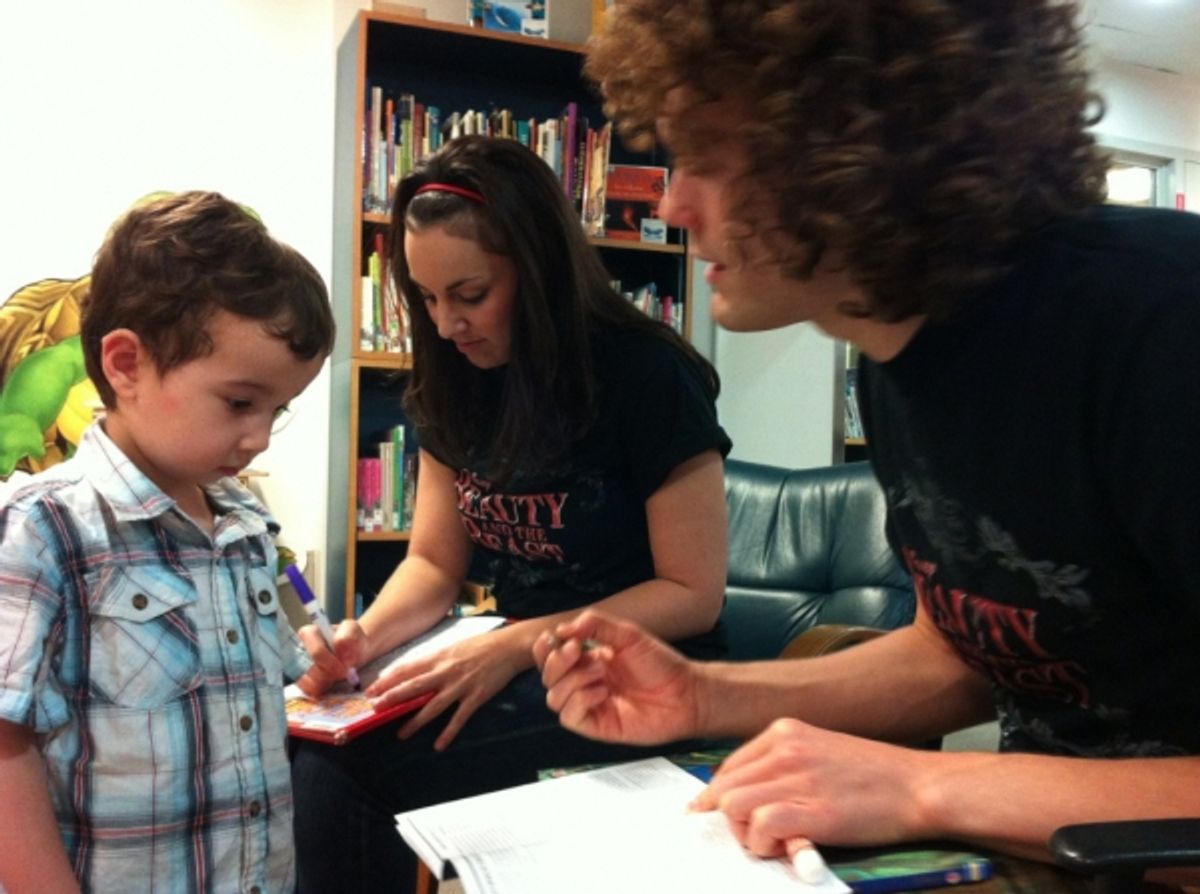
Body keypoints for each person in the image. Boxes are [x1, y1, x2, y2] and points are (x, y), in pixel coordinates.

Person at [535, 0, 1200, 886]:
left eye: (703, 157)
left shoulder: (1162, 327)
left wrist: (926, 787)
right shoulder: (900, 358)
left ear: (847, 147)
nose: (673, 202)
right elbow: (956, 654)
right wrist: (702, 696)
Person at [290, 135, 732, 893]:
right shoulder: (456, 378)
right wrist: (366, 638)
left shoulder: (644, 374)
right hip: (522, 659)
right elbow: (432, 563)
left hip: (639, 681)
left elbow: (693, 594)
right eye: (427, 300)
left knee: (348, 764)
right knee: (317, 737)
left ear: (539, 273)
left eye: (470, 295)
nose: (447, 325)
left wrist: (517, 645)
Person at [0, 191, 336, 894]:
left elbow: (260, 683)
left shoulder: (244, 520)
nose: (259, 437)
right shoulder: (44, 528)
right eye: (240, 403)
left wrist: (319, 672)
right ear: (124, 365)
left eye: (279, 410)